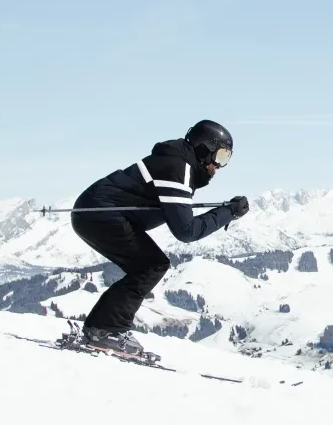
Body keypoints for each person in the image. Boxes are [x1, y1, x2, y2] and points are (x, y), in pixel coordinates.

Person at [70, 120, 249, 360]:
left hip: (96, 212)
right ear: (204, 149)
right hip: (99, 214)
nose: (219, 166)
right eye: (221, 156)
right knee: (150, 265)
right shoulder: (178, 167)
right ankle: (105, 330)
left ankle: (102, 329)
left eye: (225, 159)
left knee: (147, 265)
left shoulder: (178, 163)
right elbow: (187, 231)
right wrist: (229, 212)